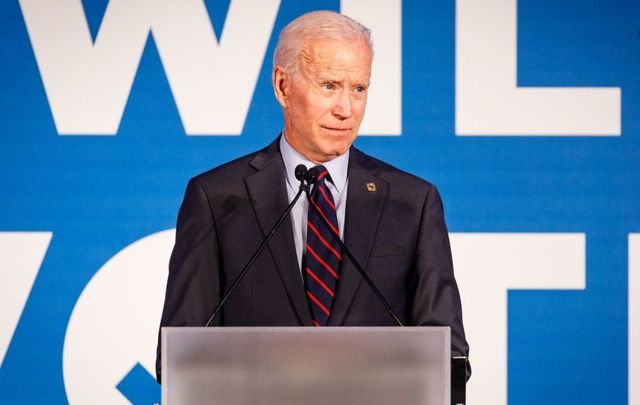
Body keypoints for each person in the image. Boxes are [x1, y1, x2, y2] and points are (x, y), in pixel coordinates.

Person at [156, 10, 469, 382]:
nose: (346, 110)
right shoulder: (218, 199)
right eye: (329, 85)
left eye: (359, 88)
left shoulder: (412, 203)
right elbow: (181, 353)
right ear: (283, 86)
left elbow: (447, 352)